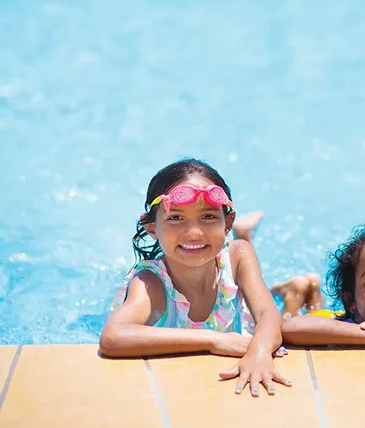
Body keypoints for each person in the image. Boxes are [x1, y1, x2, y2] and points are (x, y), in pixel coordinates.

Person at [99, 158, 290, 397]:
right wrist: (213, 340)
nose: (194, 232)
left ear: (226, 222)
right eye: (176, 218)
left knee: (282, 308)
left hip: (227, 269)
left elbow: (268, 315)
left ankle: (246, 234)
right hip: (152, 295)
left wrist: (260, 353)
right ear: (152, 229)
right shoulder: (151, 283)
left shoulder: (238, 256)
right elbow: (113, 336)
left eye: (208, 217)